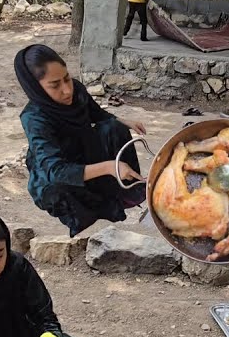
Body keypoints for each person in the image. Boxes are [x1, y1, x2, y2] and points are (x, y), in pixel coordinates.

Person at [14, 44, 148, 236]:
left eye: (67, 78)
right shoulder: (34, 118)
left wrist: (124, 121)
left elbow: (96, 114)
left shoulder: (76, 89)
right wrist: (109, 167)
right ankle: (86, 216)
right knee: (57, 190)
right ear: (36, 87)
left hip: (83, 149)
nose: (67, 90)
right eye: (55, 85)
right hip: (56, 170)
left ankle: (127, 191)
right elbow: (56, 171)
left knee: (114, 127)